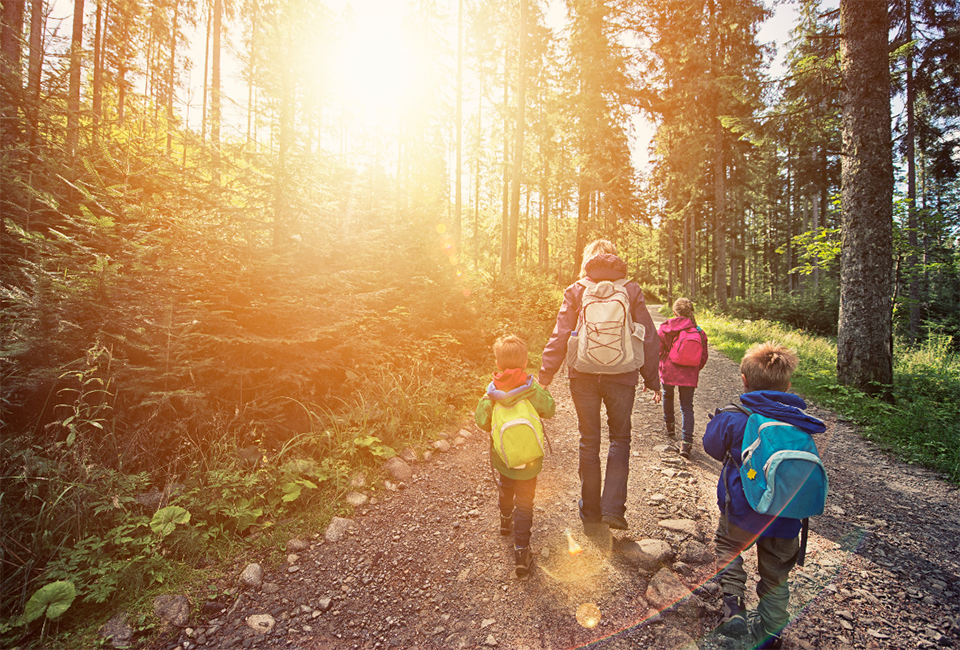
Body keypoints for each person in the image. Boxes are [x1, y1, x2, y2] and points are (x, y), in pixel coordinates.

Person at [703, 342, 826, 650]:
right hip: (786, 517)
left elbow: (711, 447)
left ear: (744, 380)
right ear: (787, 385)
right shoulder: (800, 423)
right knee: (776, 575)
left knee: (728, 549)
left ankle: (733, 612)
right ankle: (771, 631)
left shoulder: (734, 417)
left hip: (741, 512)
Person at [539, 239, 660, 533]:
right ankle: (613, 510)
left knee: (588, 440)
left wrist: (544, 376)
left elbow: (560, 334)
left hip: (582, 374)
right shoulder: (630, 290)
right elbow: (648, 337)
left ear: (587, 261)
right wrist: (652, 379)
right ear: (614, 260)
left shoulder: (576, 290)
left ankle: (590, 512)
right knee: (620, 439)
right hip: (623, 374)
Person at [475, 334, 556, 577]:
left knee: (505, 484)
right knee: (525, 502)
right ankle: (521, 551)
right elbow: (549, 410)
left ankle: (504, 520)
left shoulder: (491, 393)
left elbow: (481, 422)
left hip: (503, 457)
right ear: (525, 361)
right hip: (529, 459)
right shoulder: (532, 389)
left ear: (498, 364)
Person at [658, 297, 709, 459]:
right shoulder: (699, 332)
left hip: (669, 370)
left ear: (674, 312)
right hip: (689, 373)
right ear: (690, 312)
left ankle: (670, 427)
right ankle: (686, 443)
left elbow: (659, 351)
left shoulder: (666, 328)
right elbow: (703, 357)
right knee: (687, 406)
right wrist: (693, 368)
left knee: (668, 395)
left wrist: (661, 365)